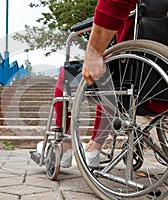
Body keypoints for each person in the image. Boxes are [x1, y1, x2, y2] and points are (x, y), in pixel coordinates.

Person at [56, 0, 139, 168]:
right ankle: (95, 146)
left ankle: (66, 146)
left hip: (134, 69)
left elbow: (115, 2)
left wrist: (93, 53)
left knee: (70, 75)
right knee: (111, 78)